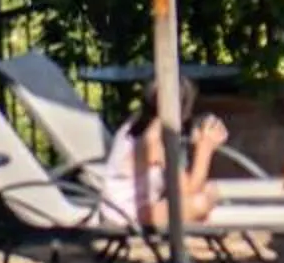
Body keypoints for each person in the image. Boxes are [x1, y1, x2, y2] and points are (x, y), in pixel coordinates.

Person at [98, 84, 230, 229]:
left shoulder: (138, 124)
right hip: (124, 214)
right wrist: (205, 147)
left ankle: (198, 218)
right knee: (200, 203)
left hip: (138, 207)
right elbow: (190, 191)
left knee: (208, 192)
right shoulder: (152, 141)